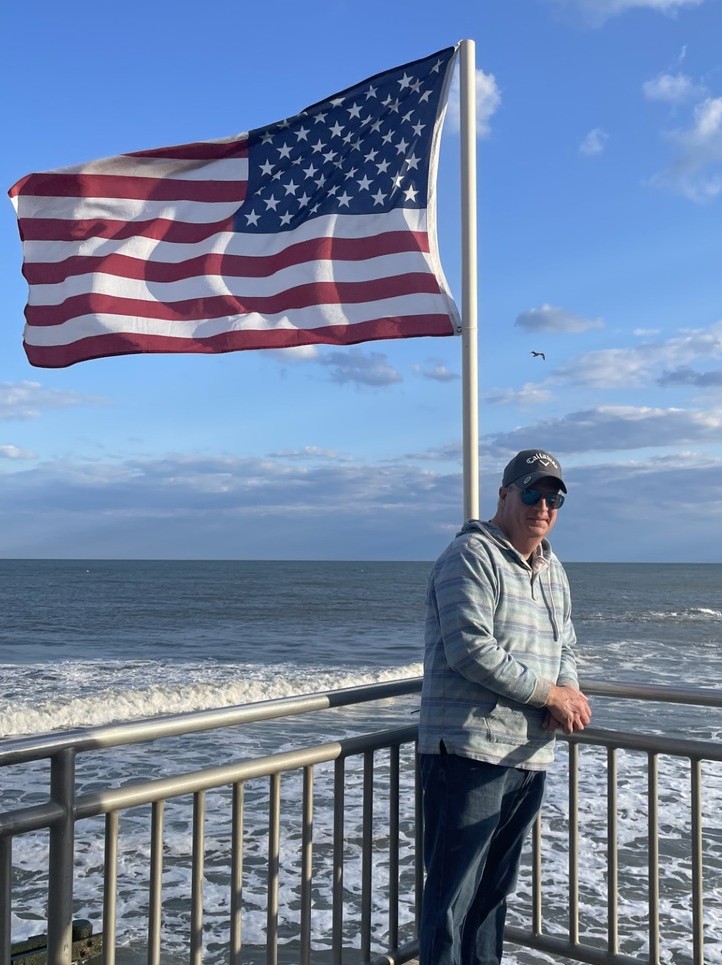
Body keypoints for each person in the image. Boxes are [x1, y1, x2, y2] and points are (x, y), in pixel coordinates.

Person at [417, 449, 591, 965]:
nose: (544, 505)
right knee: (452, 899)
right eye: (532, 492)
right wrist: (550, 695)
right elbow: (471, 650)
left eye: (553, 496)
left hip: (527, 755)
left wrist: (570, 694)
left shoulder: (552, 567)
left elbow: (567, 646)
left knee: (492, 896)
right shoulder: (470, 556)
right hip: (467, 753)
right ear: (504, 495)